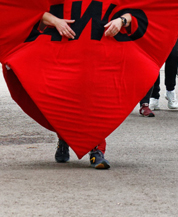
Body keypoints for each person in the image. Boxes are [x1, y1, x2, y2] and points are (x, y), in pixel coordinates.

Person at [43, 10, 134, 167]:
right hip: (62, 49)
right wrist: (54, 20)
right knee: (62, 99)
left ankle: (96, 149)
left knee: (97, 100)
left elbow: (136, 10)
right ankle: (64, 138)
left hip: (100, 51)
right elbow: (30, 9)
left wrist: (121, 20)